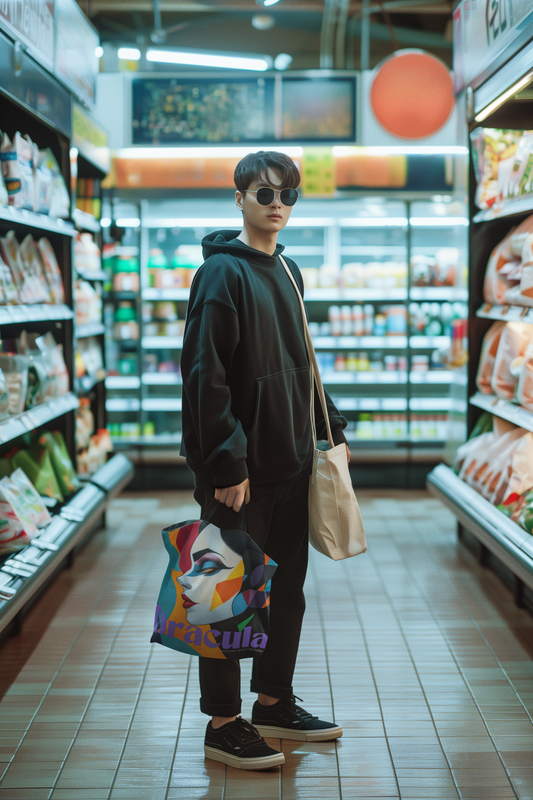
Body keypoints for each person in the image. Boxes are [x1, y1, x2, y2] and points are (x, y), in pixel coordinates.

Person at [180, 150, 350, 771]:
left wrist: (329, 426)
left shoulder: (288, 268)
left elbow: (303, 358)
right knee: (224, 592)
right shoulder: (221, 275)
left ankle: (273, 702)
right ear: (240, 199)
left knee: (286, 592)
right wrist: (225, 464)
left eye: (287, 196)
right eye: (264, 194)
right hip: (240, 474)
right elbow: (206, 376)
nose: (276, 205)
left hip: (293, 460)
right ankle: (223, 723)